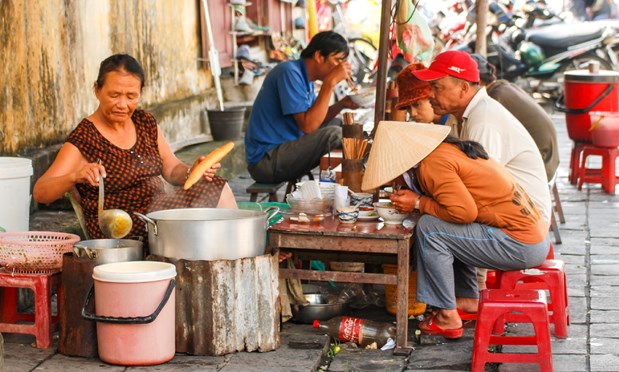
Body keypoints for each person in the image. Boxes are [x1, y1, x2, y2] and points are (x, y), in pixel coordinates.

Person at [362, 121, 550, 339]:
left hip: (521, 245)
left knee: (430, 229)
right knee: (443, 226)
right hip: (535, 238)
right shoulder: (444, 151)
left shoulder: (432, 164)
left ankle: (447, 316)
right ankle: (467, 300)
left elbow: (463, 213)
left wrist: (419, 203)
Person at [33, 54, 237, 241]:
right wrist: (75, 176)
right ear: (97, 90)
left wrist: (192, 171)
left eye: (131, 96)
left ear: (141, 93)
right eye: (114, 95)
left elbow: (172, 169)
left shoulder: (144, 122)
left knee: (216, 186)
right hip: (121, 228)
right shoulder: (85, 137)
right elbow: (41, 192)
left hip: (159, 213)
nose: (122, 104)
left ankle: (235, 254)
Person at [412, 50, 551, 224]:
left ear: (463, 88)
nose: (430, 94)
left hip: (524, 222)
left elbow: (479, 190)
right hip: (504, 212)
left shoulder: (484, 119)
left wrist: (421, 202)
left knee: (429, 226)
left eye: (436, 87)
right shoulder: (458, 116)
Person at [245, 31, 358, 184]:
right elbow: (309, 126)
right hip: (265, 161)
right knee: (334, 134)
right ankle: (358, 174)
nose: (340, 67)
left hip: (282, 152)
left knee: (340, 125)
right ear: (319, 56)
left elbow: (316, 119)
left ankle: (357, 173)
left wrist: (342, 104)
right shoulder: (289, 72)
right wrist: (329, 83)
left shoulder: (305, 79)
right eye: (337, 60)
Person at [471, 54, 559, 182]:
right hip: (549, 158)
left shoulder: (494, 98)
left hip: (542, 166)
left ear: (479, 82)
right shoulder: (504, 86)